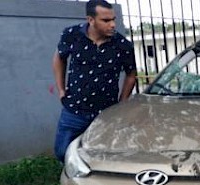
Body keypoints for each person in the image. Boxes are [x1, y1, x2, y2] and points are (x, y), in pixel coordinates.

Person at [52, 0, 137, 163]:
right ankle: (72, 178)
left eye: (113, 20)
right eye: (106, 20)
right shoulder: (71, 35)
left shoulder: (123, 45)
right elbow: (58, 58)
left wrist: (122, 102)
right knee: (62, 152)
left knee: (104, 155)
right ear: (90, 20)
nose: (112, 25)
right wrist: (61, 89)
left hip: (105, 113)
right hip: (74, 109)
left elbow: (131, 74)